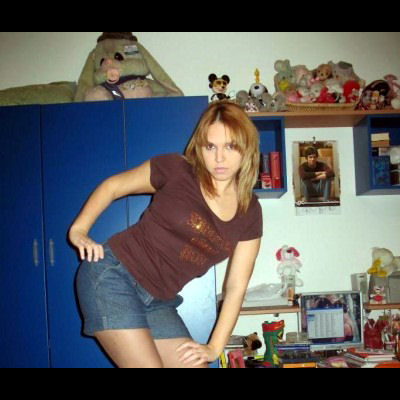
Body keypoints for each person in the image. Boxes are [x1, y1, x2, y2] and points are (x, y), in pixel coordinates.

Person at [68, 100, 263, 368]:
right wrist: (79, 230)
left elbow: (236, 286)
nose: (219, 158)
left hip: (160, 300)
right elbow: (114, 186)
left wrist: (214, 347)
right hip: (113, 276)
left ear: (247, 148)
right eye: (210, 147)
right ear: (200, 147)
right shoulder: (177, 170)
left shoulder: (250, 211)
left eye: (230, 146)